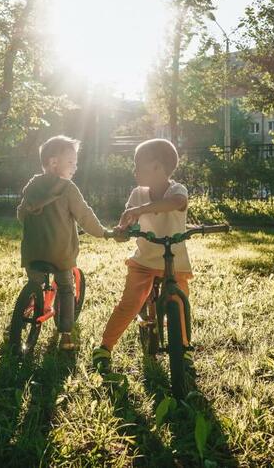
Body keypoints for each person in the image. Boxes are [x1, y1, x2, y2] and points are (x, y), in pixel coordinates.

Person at [92, 138, 193, 373]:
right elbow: (126, 221)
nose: (134, 169)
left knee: (179, 304)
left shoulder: (177, 190)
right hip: (144, 261)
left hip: (174, 263)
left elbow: (177, 203)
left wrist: (141, 210)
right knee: (130, 303)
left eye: (138, 164)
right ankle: (105, 347)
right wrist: (121, 231)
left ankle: (185, 348)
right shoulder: (137, 194)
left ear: (157, 167)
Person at [17, 135, 110, 350]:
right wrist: (102, 233)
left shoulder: (31, 186)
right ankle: (66, 335)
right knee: (67, 287)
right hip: (60, 255)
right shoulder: (68, 188)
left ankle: (26, 305)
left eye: (76, 163)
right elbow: (85, 216)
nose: (75, 167)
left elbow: (22, 214)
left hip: (32, 252)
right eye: (71, 162)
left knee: (35, 281)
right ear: (53, 162)